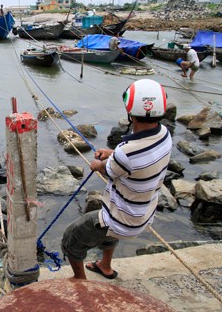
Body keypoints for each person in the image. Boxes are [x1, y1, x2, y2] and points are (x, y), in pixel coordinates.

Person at [61, 78, 172, 280]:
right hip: (143, 213)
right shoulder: (165, 135)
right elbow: (135, 158)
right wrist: (112, 153)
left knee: (72, 237)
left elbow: (108, 170)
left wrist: (98, 164)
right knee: (107, 227)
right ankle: (105, 266)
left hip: (123, 219)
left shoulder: (126, 153)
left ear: (130, 113)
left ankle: (79, 280)